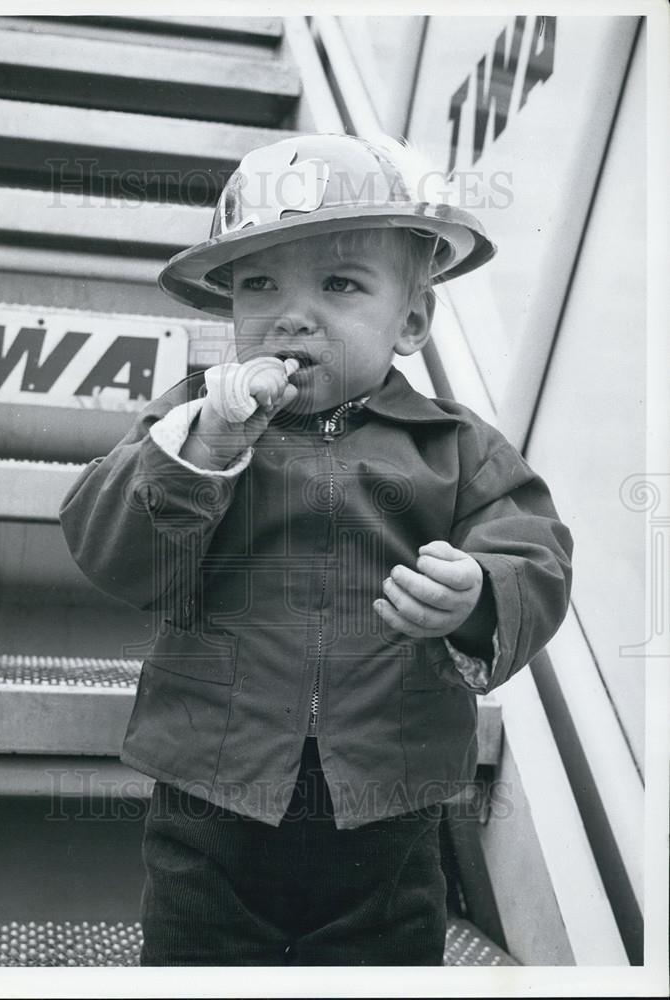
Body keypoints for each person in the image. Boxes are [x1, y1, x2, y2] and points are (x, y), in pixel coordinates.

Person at [60, 133, 573, 966]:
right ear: (229, 308)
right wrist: (205, 452)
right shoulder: (192, 422)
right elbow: (112, 549)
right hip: (208, 785)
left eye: (339, 284)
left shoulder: (454, 445)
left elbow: (536, 551)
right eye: (259, 284)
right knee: (196, 957)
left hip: (388, 793)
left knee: (385, 955)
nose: (292, 315)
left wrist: (478, 590)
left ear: (409, 322)